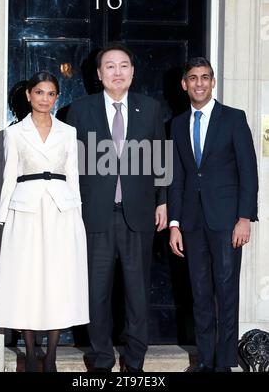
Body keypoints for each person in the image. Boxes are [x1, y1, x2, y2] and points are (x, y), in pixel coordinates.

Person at [67, 43, 167, 372]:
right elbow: (71, 164)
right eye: (110, 66)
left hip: (137, 215)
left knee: (137, 295)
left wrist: (163, 202)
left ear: (133, 72)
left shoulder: (151, 109)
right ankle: (101, 360)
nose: (117, 72)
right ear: (99, 74)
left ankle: (134, 362)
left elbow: (160, 160)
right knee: (97, 294)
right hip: (95, 215)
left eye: (124, 65)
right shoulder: (80, 110)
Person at [0, 71, 89, 372]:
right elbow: (8, 178)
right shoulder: (14, 133)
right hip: (27, 211)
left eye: (50, 94)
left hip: (62, 211)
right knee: (28, 280)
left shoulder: (68, 132)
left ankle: (52, 355)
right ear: (28, 95)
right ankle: (32, 354)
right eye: (39, 93)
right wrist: (4, 218)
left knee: (59, 280)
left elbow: (73, 175)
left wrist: (78, 218)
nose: (45, 99)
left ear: (56, 97)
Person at [168, 57, 258, 372]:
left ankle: (225, 363)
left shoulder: (233, 118)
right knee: (200, 294)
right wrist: (175, 224)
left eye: (205, 77)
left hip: (227, 221)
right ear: (184, 84)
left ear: (213, 81)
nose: (199, 83)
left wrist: (245, 218)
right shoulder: (177, 124)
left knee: (226, 292)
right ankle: (206, 361)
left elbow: (249, 171)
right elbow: (177, 176)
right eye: (193, 78)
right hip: (191, 223)